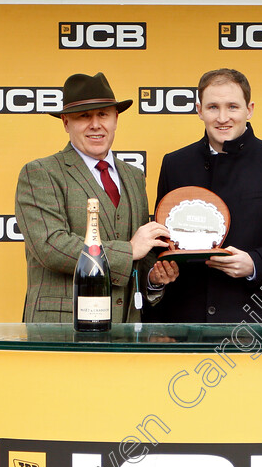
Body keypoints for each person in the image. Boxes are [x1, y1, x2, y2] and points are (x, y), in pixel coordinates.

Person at [145, 68, 262, 323]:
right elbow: (160, 239)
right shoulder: (175, 164)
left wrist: (256, 263)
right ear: (199, 110)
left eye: (232, 107)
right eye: (213, 107)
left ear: (249, 109)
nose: (223, 117)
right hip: (184, 322)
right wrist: (156, 276)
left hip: (254, 322)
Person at [15, 72, 178, 323]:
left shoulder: (134, 177)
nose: (95, 124)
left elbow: (141, 256)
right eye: (84, 116)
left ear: (115, 120)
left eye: (103, 114)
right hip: (62, 329)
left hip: (125, 329)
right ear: (66, 123)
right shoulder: (40, 172)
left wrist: (153, 280)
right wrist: (128, 250)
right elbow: (50, 246)